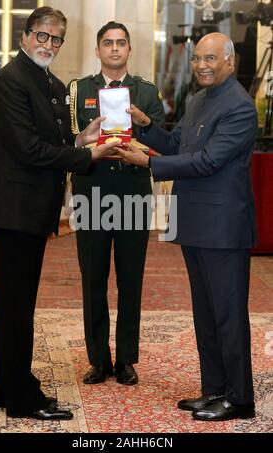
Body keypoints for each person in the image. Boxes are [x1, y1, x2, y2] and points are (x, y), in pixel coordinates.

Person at [0, 7, 118, 421]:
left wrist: (81, 137)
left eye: (56, 39)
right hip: (14, 209)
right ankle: (19, 396)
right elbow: (28, 149)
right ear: (26, 35)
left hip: (33, 209)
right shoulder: (11, 80)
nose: (49, 45)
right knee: (16, 305)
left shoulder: (50, 83)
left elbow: (48, 142)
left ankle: (8, 385)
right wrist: (85, 154)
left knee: (20, 303)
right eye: (42, 36)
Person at [118, 32, 257, 421]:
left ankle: (240, 398)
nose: (202, 66)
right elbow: (179, 146)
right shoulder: (197, 99)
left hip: (224, 227)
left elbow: (208, 161)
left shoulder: (240, 108)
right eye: (197, 59)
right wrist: (145, 128)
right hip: (195, 221)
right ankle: (215, 389)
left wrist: (148, 164)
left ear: (230, 62)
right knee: (205, 313)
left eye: (211, 59)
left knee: (228, 314)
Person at [68, 21, 165, 385]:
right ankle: (98, 359)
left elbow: (160, 139)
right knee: (93, 277)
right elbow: (69, 140)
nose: (114, 49)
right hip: (91, 189)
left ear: (128, 49)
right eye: (107, 43)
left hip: (133, 190)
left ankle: (125, 358)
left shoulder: (146, 91)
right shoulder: (78, 90)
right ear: (98, 50)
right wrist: (85, 140)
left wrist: (140, 120)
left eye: (120, 43)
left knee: (130, 277)